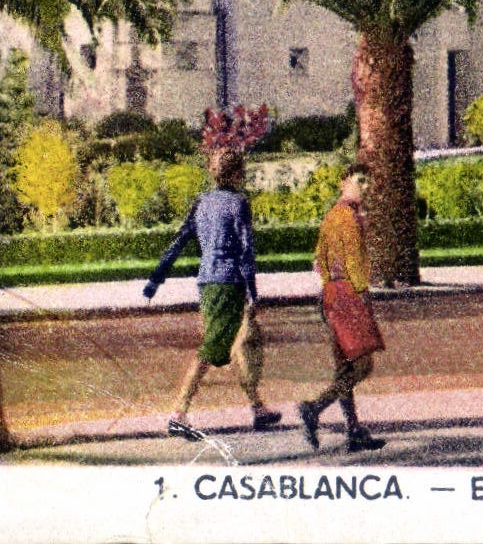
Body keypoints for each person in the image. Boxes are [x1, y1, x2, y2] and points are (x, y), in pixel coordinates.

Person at [143, 147, 282, 439]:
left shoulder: (201, 202)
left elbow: (179, 240)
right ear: (235, 173)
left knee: (235, 345)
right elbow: (246, 252)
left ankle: (258, 408)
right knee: (211, 350)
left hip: (206, 283)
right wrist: (254, 294)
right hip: (230, 284)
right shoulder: (239, 203)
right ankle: (178, 412)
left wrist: (156, 279)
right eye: (241, 171)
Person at [298, 163, 386, 454]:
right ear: (344, 182)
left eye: (368, 182)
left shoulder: (331, 217)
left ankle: (353, 430)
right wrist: (361, 295)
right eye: (361, 180)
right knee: (362, 365)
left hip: (330, 294)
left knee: (343, 368)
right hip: (348, 294)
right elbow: (354, 262)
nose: (366, 187)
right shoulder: (350, 217)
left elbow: (317, 260)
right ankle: (314, 408)